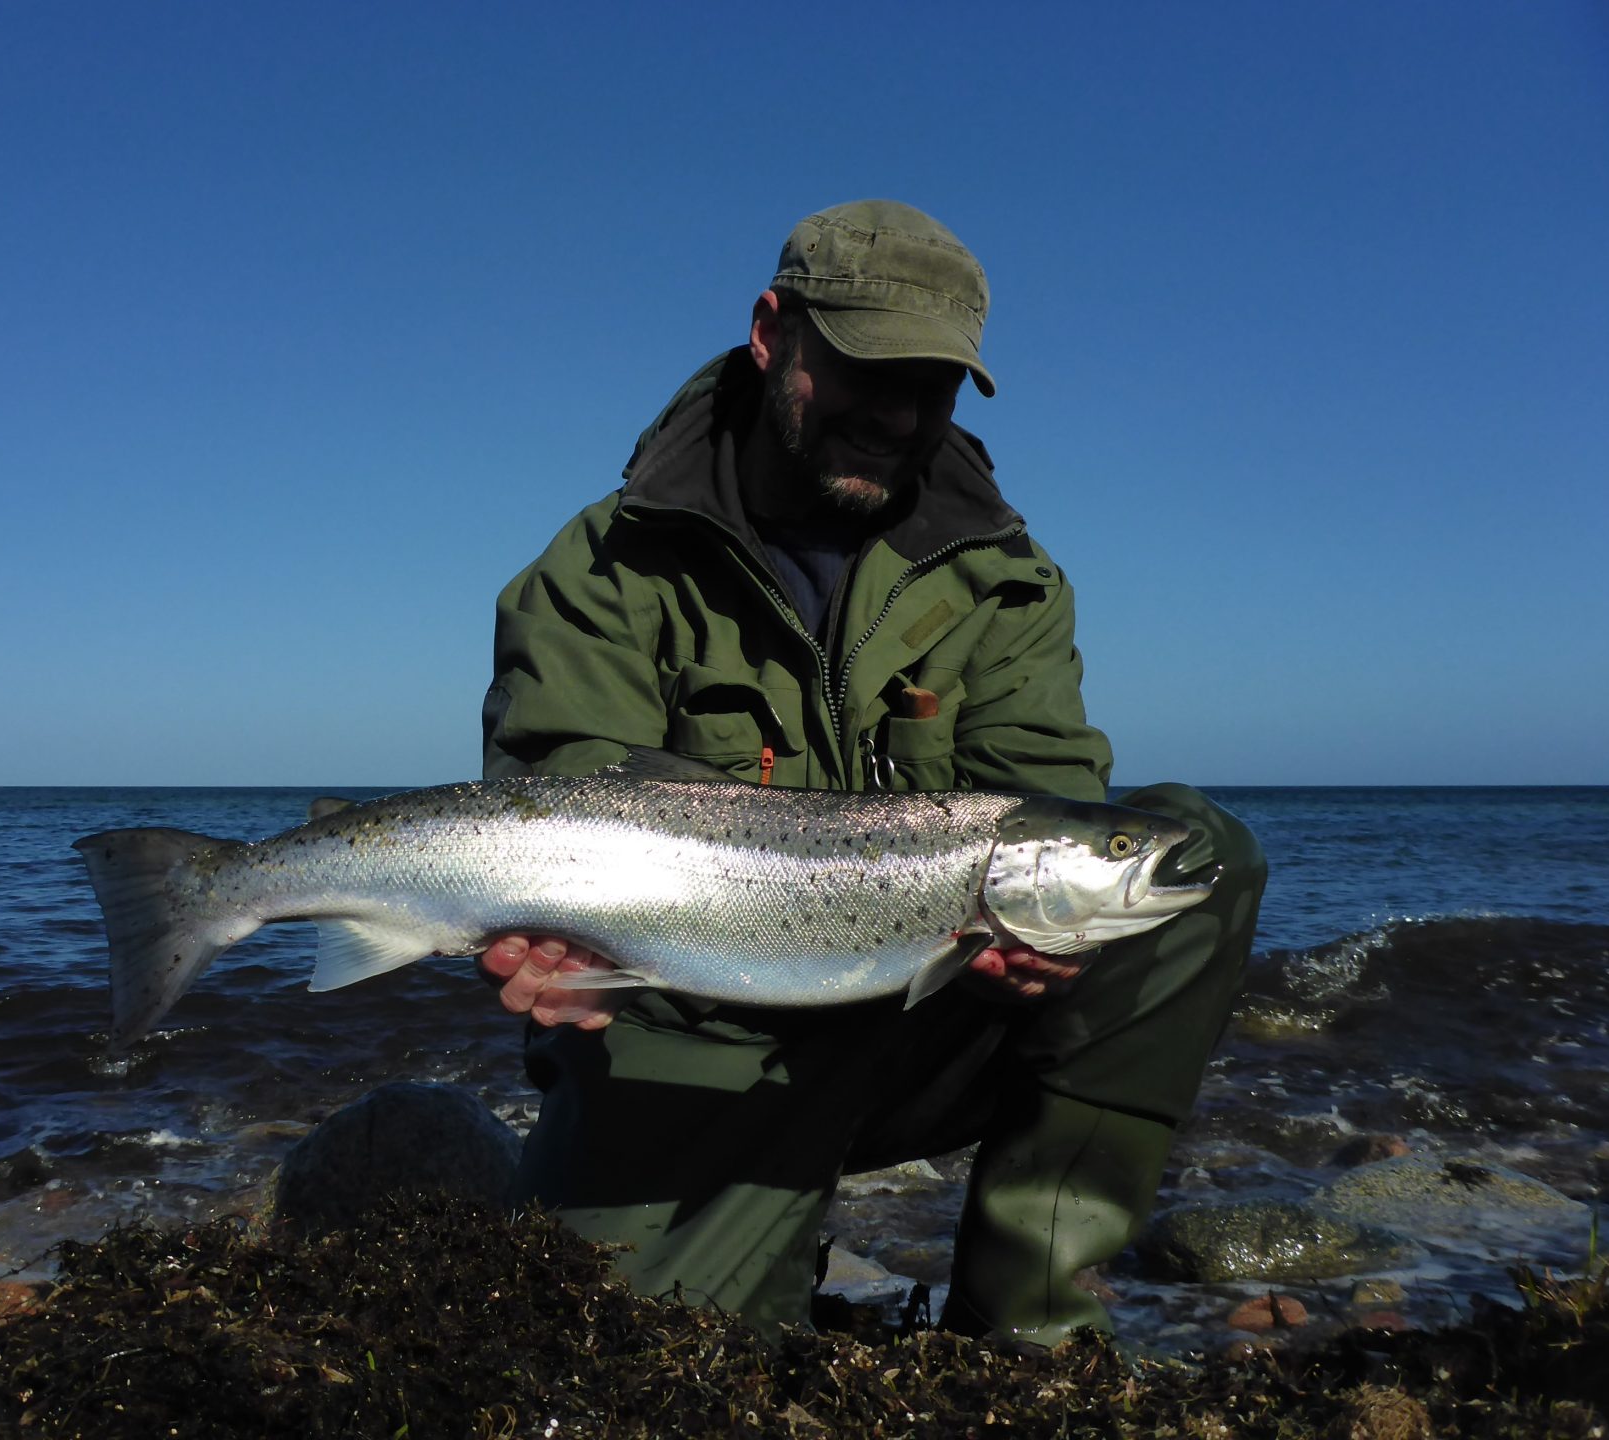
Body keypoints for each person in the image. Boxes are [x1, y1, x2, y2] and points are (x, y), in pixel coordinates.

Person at [476, 200, 1266, 1343]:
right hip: (691, 1035)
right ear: (772, 333)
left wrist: (1033, 953)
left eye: (933, 386)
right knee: (627, 1369)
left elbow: (1037, 786)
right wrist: (554, 944)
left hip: (921, 1008)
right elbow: (557, 798)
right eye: (866, 370)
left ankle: (1027, 1341)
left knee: (1204, 865)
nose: (898, 414)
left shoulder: (1007, 579)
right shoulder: (602, 570)